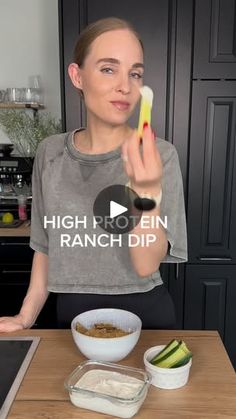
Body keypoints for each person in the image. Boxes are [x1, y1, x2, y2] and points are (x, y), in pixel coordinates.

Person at [0, 17, 187, 332]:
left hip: (146, 321)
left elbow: (146, 264)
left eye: (135, 73)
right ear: (78, 76)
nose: (125, 86)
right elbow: (46, 247)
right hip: (71, 320)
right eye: (108, 69)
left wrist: (145, 191)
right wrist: (25, 316)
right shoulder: (50, 152)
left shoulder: (159, 155)